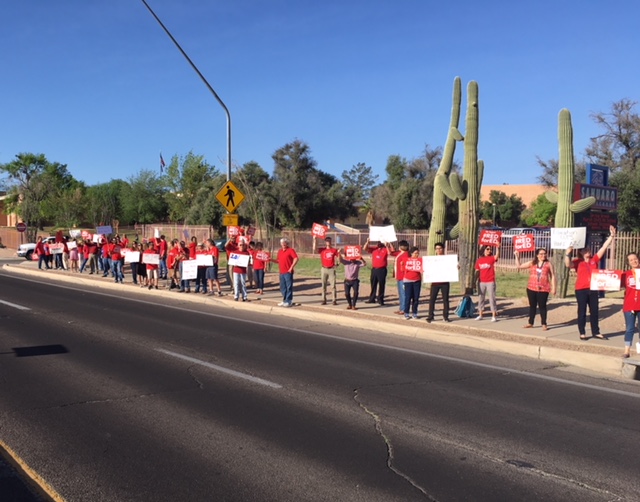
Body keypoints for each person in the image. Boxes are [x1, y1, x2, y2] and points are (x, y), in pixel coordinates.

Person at [565, 226, 616, 340]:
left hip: (593, 288)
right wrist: (568, 253)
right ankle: (582, 332)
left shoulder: (594, 260)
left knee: (595, 311)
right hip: (581, 289)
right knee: (582, 311)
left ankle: (596, 332)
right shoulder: (578, 262)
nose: (588, 251)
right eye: (586, 250)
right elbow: (568, 264)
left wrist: (611, 236)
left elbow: (603, 247)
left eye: (589, 249)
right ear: (581, 252)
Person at [515, 248, 556, 330]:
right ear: (537, 255)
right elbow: (519, 266)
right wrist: (517, 256)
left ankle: (544, 323)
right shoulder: (532, 263)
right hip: (531, 288)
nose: (543, 255)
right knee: (532, 306)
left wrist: (554, 287)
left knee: (542, 306)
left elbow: (553, 276)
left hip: (543, 288)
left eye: (544, 253)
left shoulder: (548, 264)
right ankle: (530, 322)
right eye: (541, 254)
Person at [426, 242, 452, 323]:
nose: (438, 250)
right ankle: (430, 316)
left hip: (445, 282)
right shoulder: (432, 259)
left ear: (443, 249)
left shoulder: (447, 259)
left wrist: (456, 267)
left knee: (445, 300)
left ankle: (445, 316)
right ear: (435, 250)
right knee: (432, 299)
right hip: (435, 283)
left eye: (440, 248)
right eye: (437, 248)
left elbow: (452, 269)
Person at [621, 252, 640, 358]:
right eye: (631, 260)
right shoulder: (626, 274)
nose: (634, 261)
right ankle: (627, 350)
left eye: (635, 259)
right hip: (629, 305)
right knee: (630, 328)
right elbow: (616, 284)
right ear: (628, 263)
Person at [474, 245, 500, 322]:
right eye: (487, 249)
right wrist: (474, 281)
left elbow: (496, 256)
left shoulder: (491, 258)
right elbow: (477, 271)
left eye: (490, 249)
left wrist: (498, 248)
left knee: (492, 298)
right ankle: (480, 314)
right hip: (481, 281)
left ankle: (494, 315)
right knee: (481, 298)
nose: (489, 250)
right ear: (483, 250)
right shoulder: (479, 260)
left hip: (490, 281)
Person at [271, 238, 298, 307]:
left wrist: (291, 267)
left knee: (288, 287)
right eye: (282, 242)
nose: (283, 244)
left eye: (284, 242)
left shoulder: (290, 250)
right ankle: (284, 300)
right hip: (281, 272)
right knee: (282, 287)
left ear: (287, 243)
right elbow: (278, 261)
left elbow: (296, 258)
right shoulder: (280, 251)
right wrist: (271, 260)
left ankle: (289, 301)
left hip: (288, 272)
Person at [364, 238, 392, 306]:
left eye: (381, 243)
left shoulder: (385, 249)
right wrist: (367, 242)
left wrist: (387, 245)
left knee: (381, 285)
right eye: (378, 242)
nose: (379, 244)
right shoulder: (374, 249)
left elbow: (389, 253)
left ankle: (380, 299)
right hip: (374, 269)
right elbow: (365, 248)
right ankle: (372, 298)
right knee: (373, 284)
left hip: (382, 269)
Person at [403, 247, 423, 320]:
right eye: (415, 253)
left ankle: (414, 312)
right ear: (411, 253)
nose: (417, 255)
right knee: (408, 297)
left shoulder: (420, 261)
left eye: (418, 253)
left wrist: (422, 270)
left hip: (417, 281)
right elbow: (403, 268)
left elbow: (423, 269)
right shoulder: (407, 260)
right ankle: (406, 312)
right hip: (408, 281)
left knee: (416, 298)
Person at [391, 240, 409, 316]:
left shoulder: (406, 254)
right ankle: (401, 308)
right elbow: (391, 253)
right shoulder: (400, 253)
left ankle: (404, 309)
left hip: (403, 277)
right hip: (399, 276)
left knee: (403, 293)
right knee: (401, 293)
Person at [319, 236, 339, 305]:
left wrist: (337, 263)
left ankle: (334, 300)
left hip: (331, 269)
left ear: (331, 242)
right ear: (325, 242)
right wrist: (314, 239)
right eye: (327, 241)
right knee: (323, 285)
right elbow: (314, 248)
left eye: (329, 241)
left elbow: (338, 257)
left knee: (333, 285)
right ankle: (323, 299)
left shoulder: (334, 250)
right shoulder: (322, 250)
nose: (328, 242)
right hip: (324, 269)